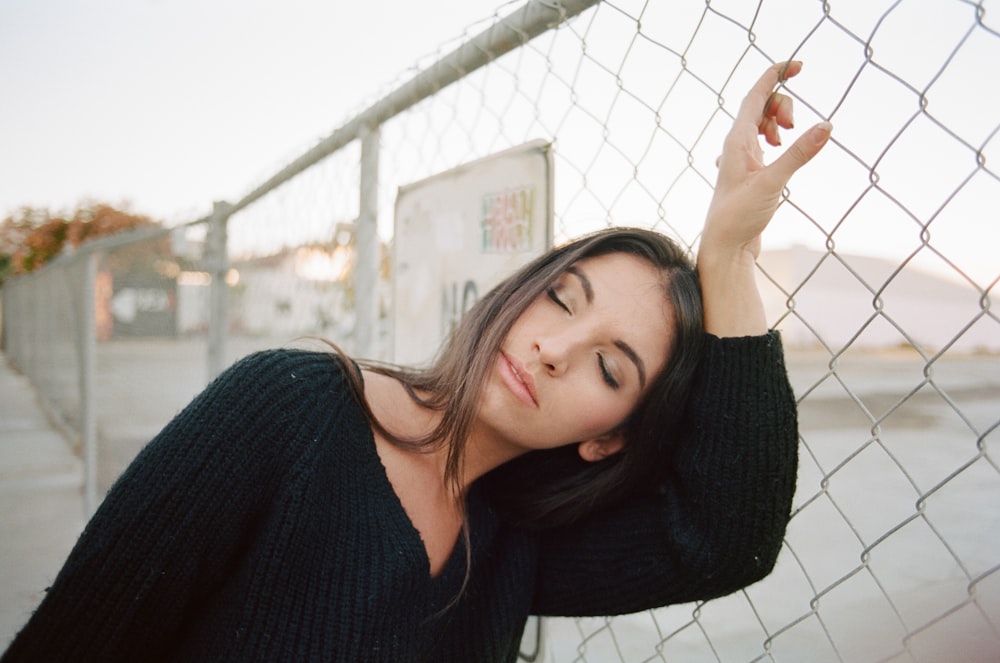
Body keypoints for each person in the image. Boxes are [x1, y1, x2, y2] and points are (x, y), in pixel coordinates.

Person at [2, 61, 831, 662]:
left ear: (608, 440)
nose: (552, 349)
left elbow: (728, 540)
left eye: (609, 370)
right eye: (562, 299)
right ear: (520, 289)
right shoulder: (287, 411)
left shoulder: (513, 540)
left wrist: (728, 256)